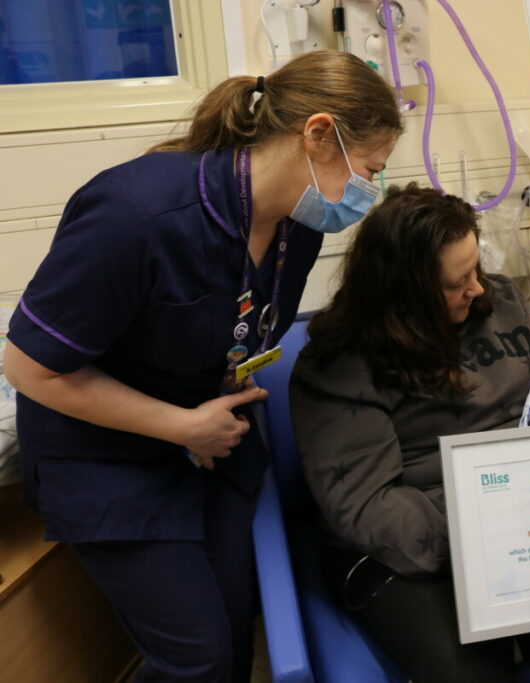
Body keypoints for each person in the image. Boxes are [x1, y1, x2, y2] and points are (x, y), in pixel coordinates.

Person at [2, 51, 402, 681]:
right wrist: (180, 426)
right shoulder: (137, 213)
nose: (368, 192)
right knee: (199, 661)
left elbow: (239, 326)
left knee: (236, 640)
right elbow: (29, 368)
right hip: (106, 458)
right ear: (318, 133)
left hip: (207, 446)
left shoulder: (299, 226)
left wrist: (204, 421)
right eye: (369, 170)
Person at [290, 183, 530, 683]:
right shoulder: (342, 363)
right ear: (406, 294)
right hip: (408, 549)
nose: (478, 288)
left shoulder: (499, 300)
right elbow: (368, 505)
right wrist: (493, 539)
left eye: (475, 268)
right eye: (457, 281)